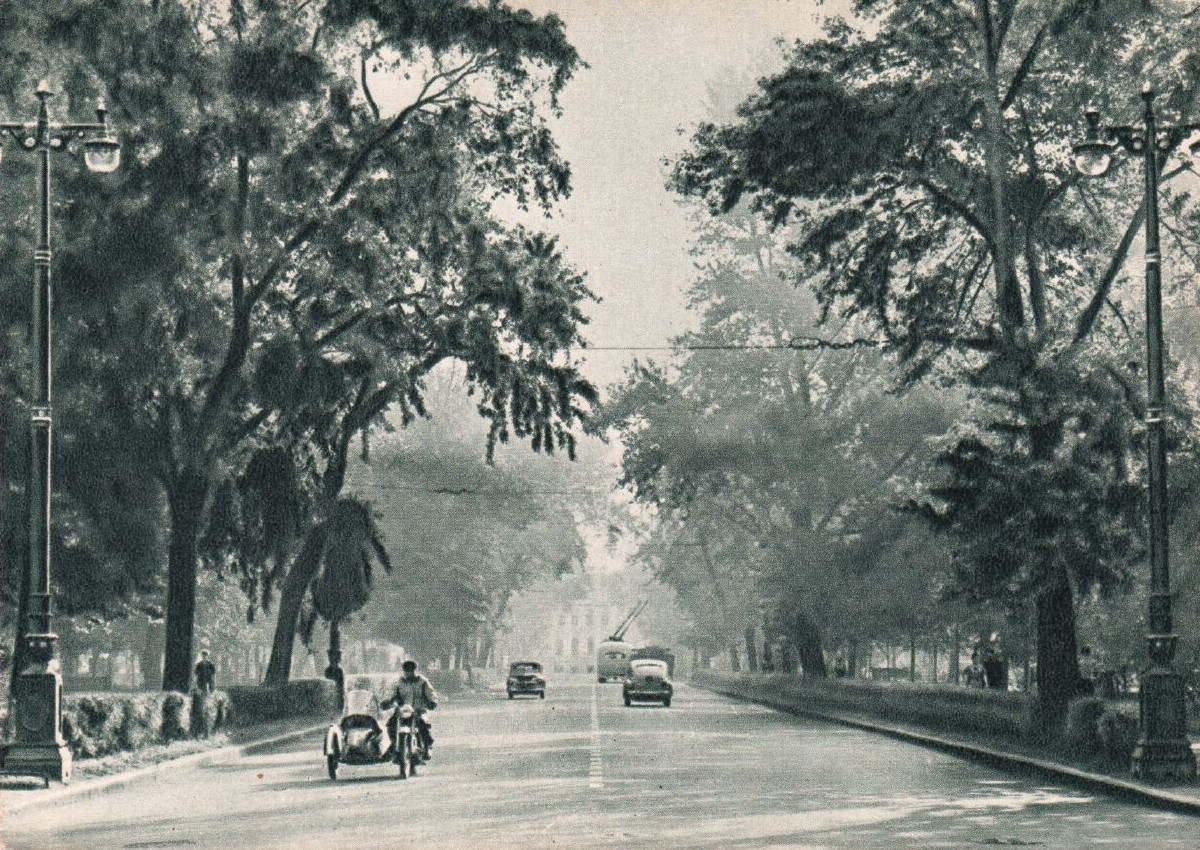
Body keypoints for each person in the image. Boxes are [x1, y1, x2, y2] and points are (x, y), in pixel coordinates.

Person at [381, 659, 439, 754]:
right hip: (402, 711)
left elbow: (431, 693)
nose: (408, 673)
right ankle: (395, 744)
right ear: (403, 671)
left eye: (411, 670)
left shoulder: (423, 681)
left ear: (414, 670)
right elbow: (391, 694)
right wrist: (386, 702)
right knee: (391, 725)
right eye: (406, 670)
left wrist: (432, 702)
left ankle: (427, 745)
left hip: (418, 710)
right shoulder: (398, 682)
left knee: (423, 724)